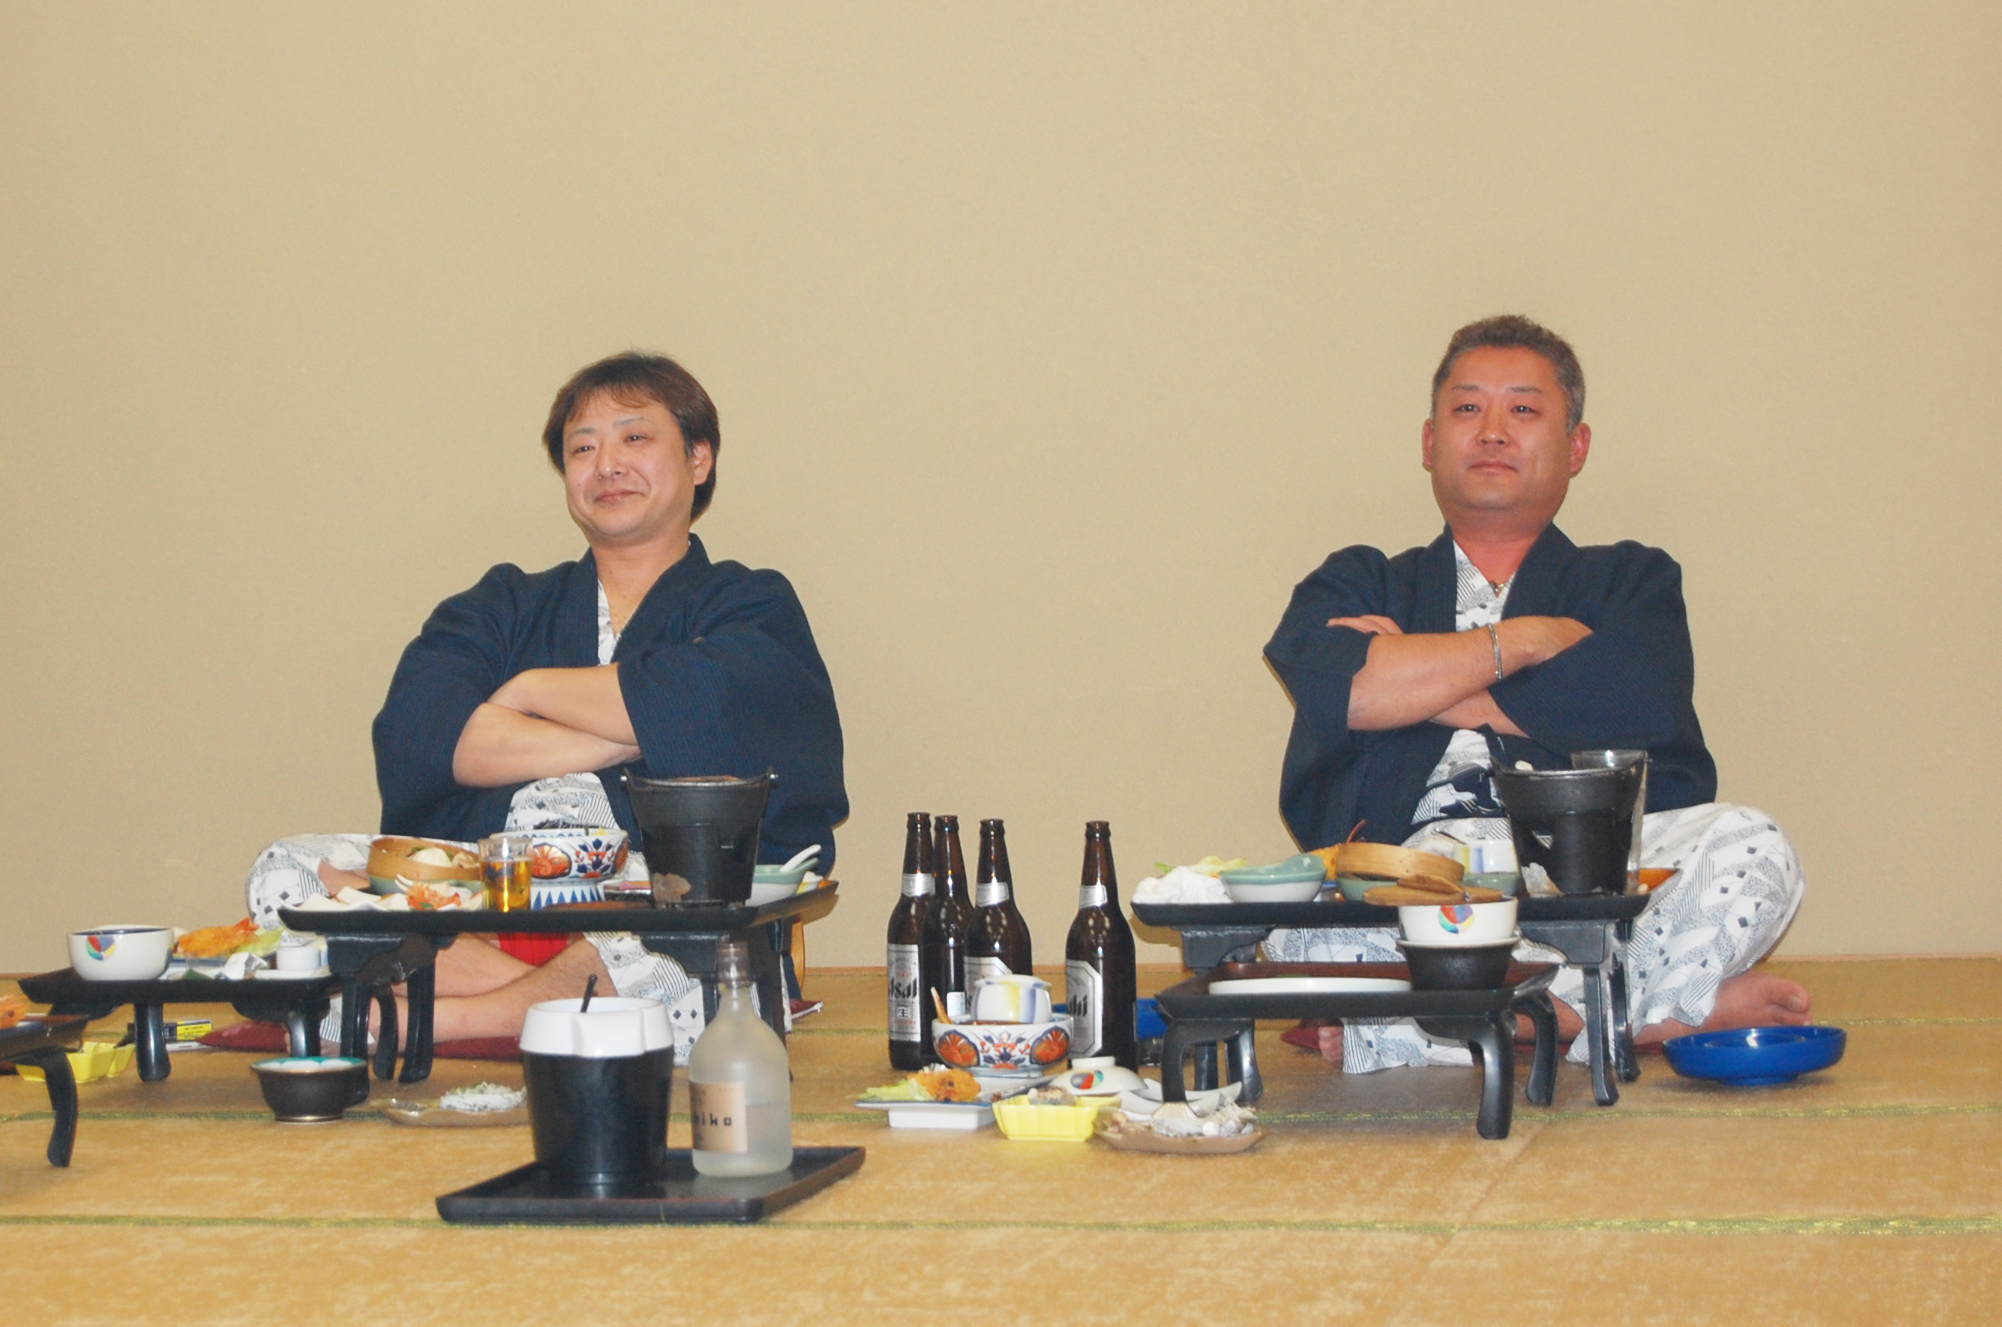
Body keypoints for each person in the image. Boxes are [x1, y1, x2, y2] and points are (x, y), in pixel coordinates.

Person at [245, 352, 846, 1058]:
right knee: (285, 873)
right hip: (483, 900)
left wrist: (528, 691)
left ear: (699, 457)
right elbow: (424, 733)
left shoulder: (751, 604)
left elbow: (718, 703)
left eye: (634, 437)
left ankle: (441, 1018)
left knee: (696, 946)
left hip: (651, 908)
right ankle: (556, 1006)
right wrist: (637, 730)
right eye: (582, 448)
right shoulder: (502, 604)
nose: (606, 465)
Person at [1262, 316, 1808, 1071]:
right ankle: (1646, 1013)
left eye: (1522, 409)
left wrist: (1407, 678)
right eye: (1467, 408)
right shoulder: (1360, 579)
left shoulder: (1630, 581)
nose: (1492, 431)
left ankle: (1503, 1021)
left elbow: (1634, 707)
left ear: (1576, 447)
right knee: (1298, 931)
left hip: (1584, 874)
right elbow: (1347, 694)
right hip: (1416, 875)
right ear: (1430, 442)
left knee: (1753, 845)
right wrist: (1524, 642)